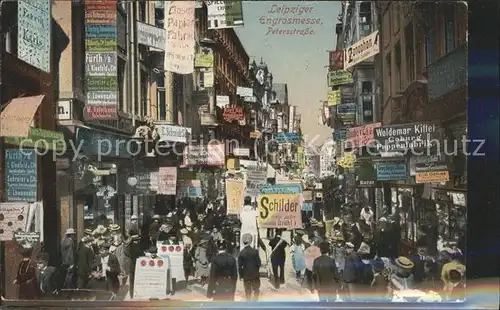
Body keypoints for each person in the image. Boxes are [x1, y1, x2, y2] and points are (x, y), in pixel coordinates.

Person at [238, 234, 261, 301]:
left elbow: (239, 266)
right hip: (255, 275)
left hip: (246, 276)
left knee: (248, 292)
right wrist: (256, 271)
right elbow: (259, 263)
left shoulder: (241, 253)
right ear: (250, 241)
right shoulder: (255, 251)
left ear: (243, 241)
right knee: (256, 290)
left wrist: (241, 276)